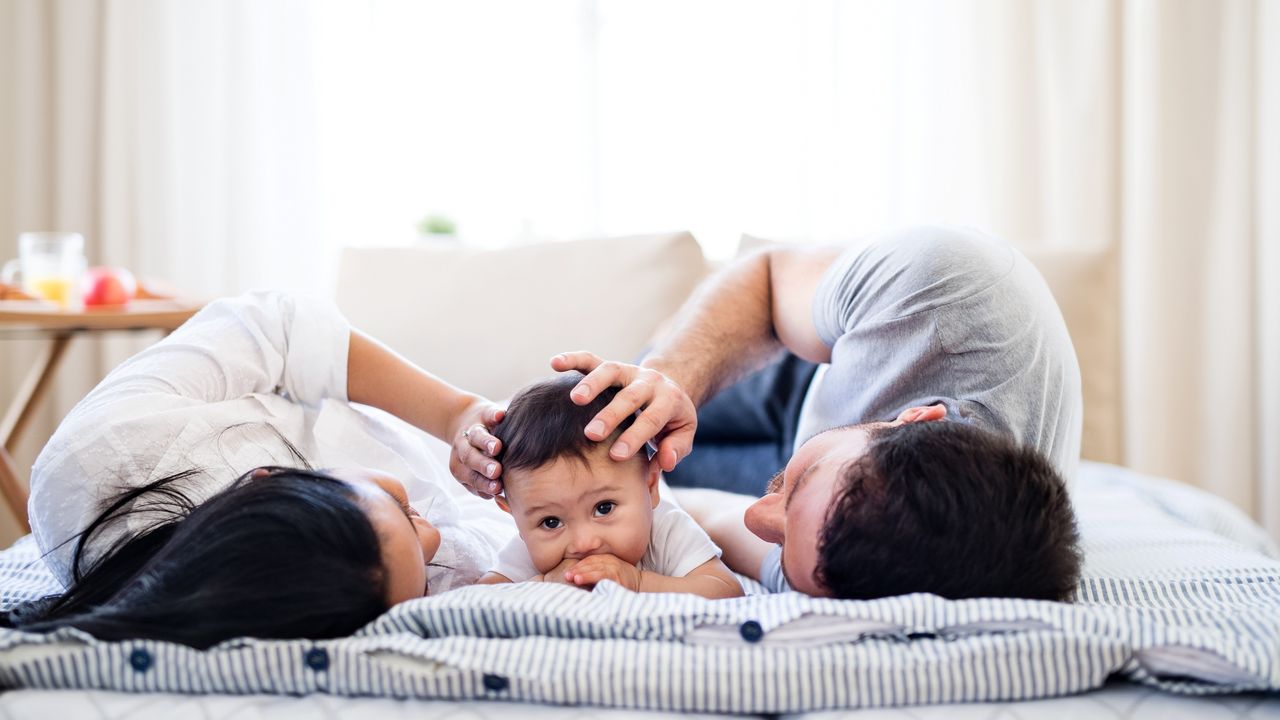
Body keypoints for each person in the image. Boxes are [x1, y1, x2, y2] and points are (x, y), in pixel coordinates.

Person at [458, 225, 1083, 601]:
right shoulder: (939, 289)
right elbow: (764, 276)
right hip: (807, 358)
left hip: (827, 442)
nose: (763, 516)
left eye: (784, 546)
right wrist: (671, 380)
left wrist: (634, 545)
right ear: (912, 419)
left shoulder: (844, 567)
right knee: (610, 422)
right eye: (802, 485)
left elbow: (696, 514)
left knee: (613, 477)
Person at [6, 291, 511, 648]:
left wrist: (456, 413)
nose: (431, 541)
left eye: (400, 508)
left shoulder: (109, 449)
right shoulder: (313, 605)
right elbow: (491, 546)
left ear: (267, 475)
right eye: (421, 584)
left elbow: (279, 329)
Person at [477, 373, 741, 598]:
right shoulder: (528, 553)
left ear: (650, 486)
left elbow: (727, 590)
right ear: (513, 515)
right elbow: (475, 601)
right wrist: (543, 587)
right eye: (551, 522)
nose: (584, 543)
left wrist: (639, 584)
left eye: (604, 508)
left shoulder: (664, 529)